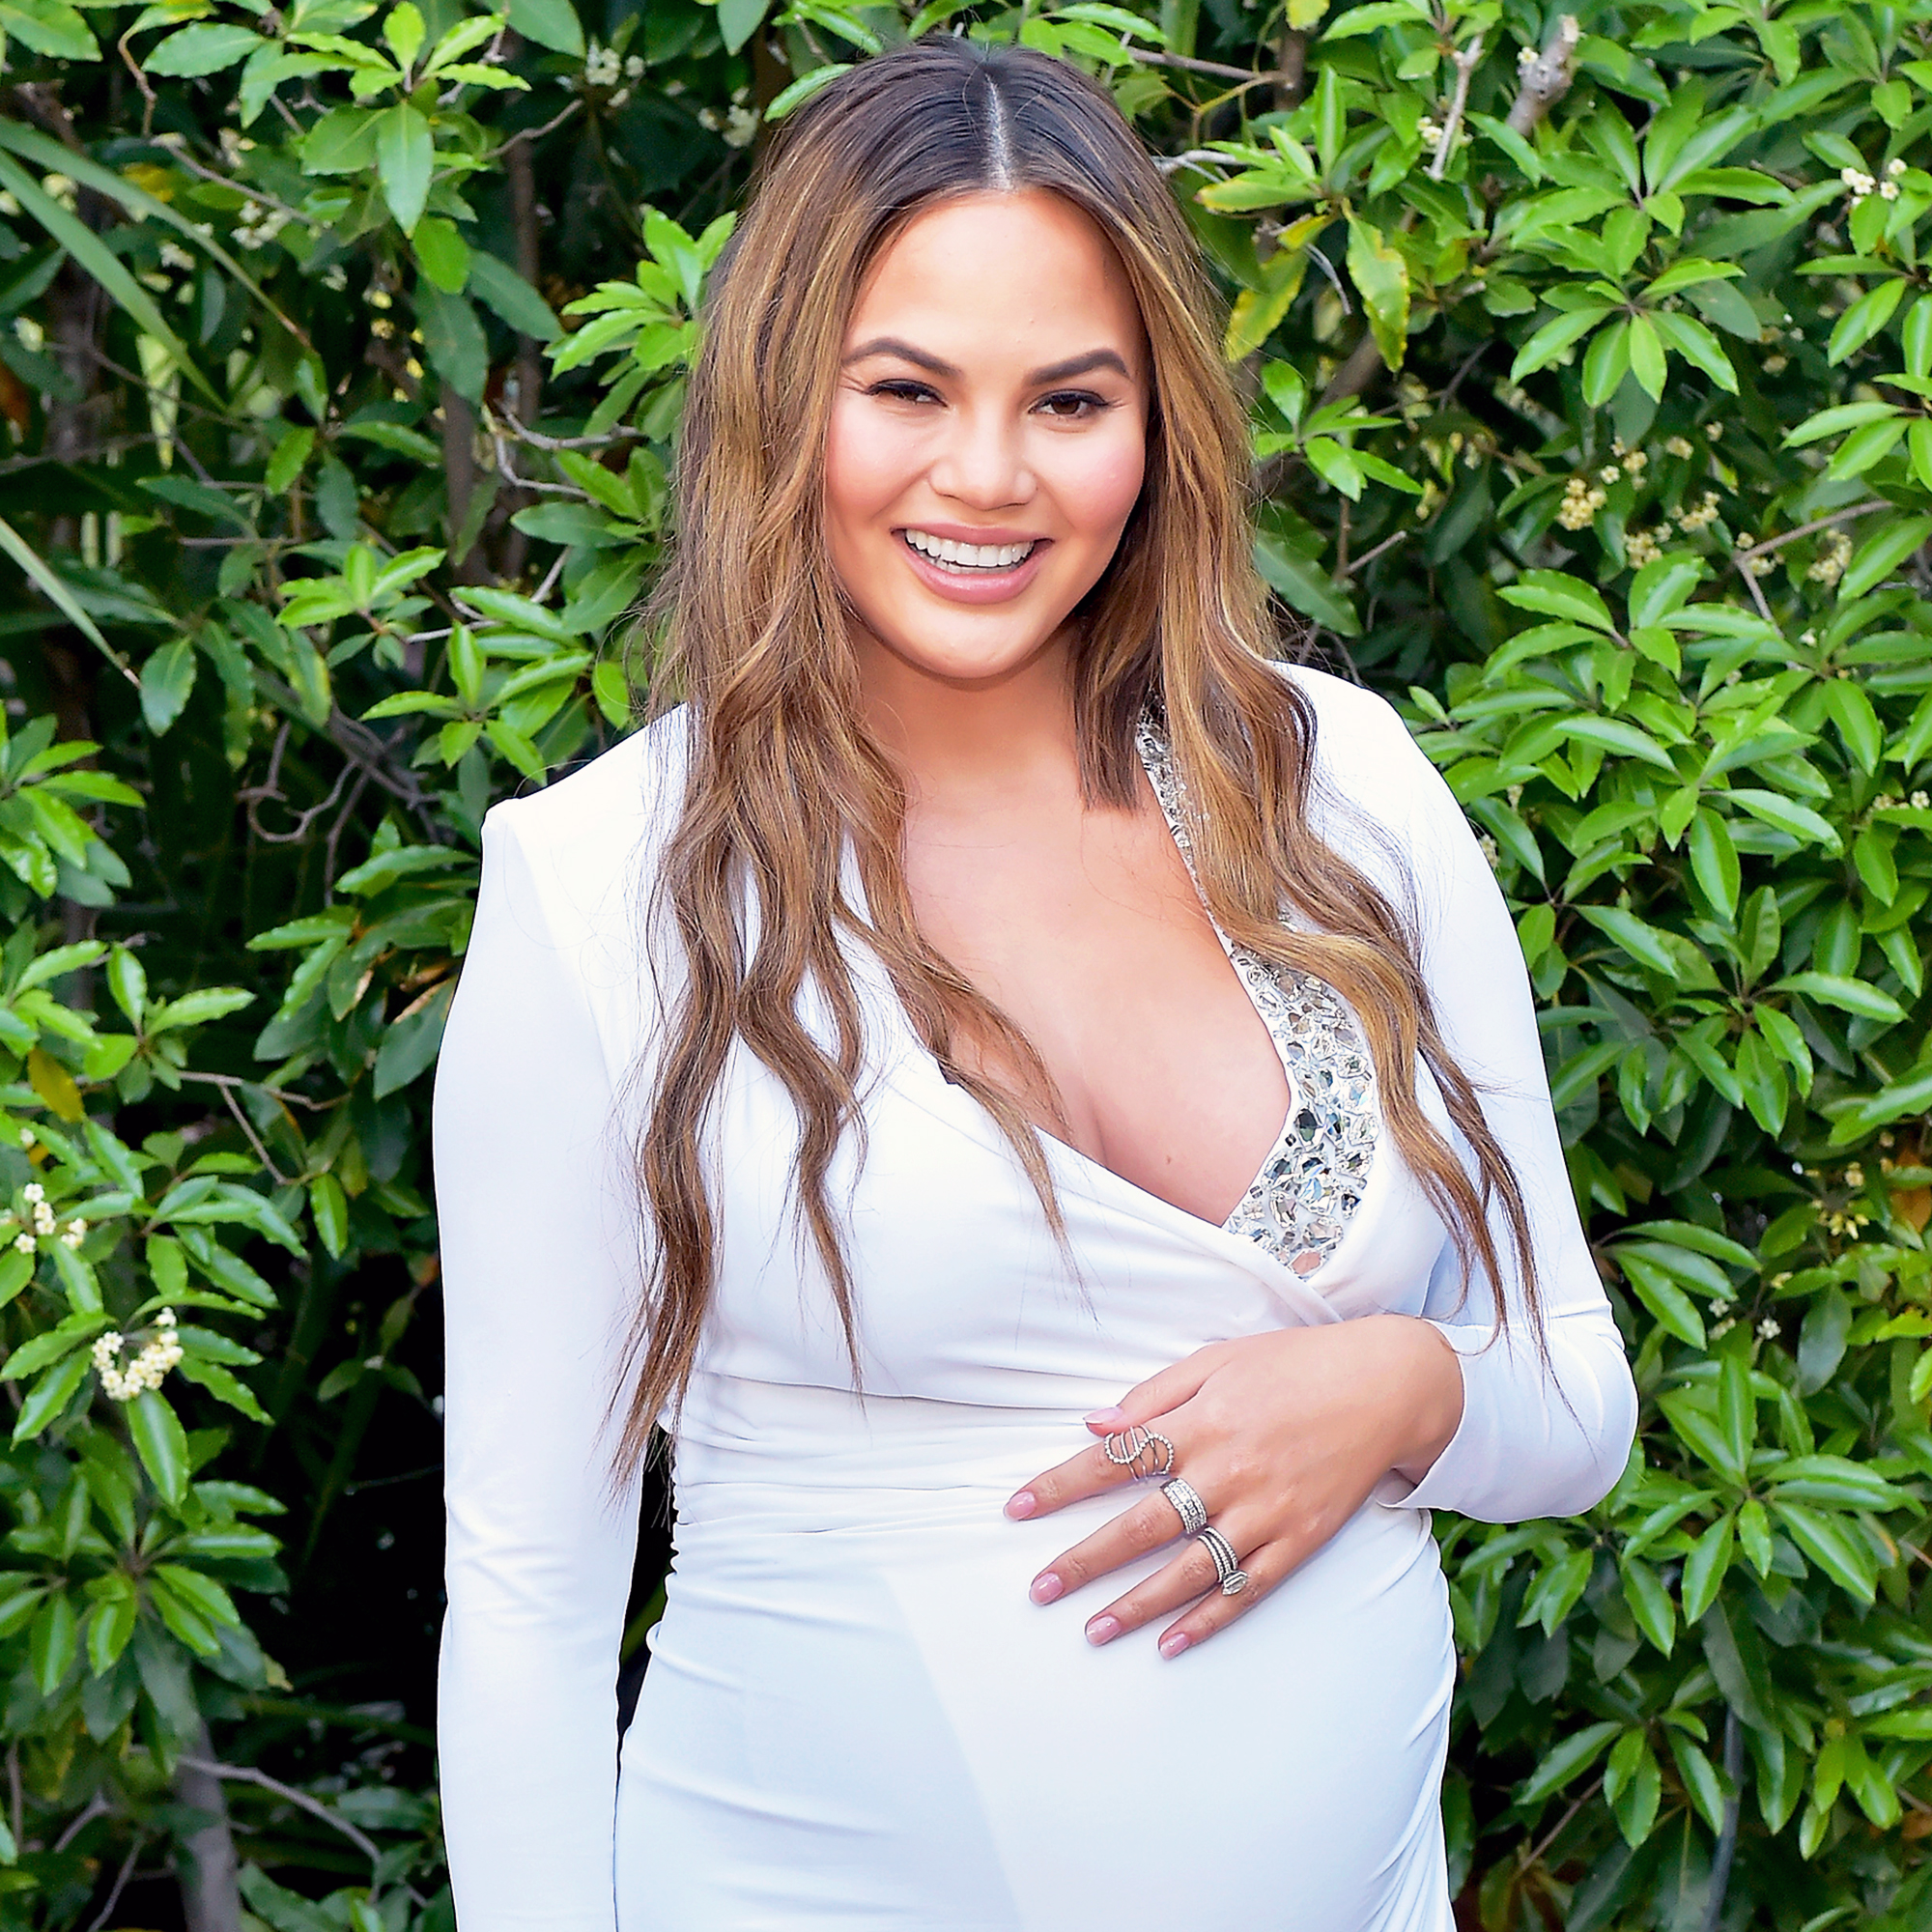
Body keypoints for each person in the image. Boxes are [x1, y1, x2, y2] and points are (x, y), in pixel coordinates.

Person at [432, 36, 1638, 1932]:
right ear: (783, 396)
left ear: (1156, 423)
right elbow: (526, 1594)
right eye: (906, 389)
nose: (988, 477)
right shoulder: (606, 889)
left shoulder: (1339, 788)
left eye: (1069, 399)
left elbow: (1574, 1400)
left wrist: (1403, 1385)